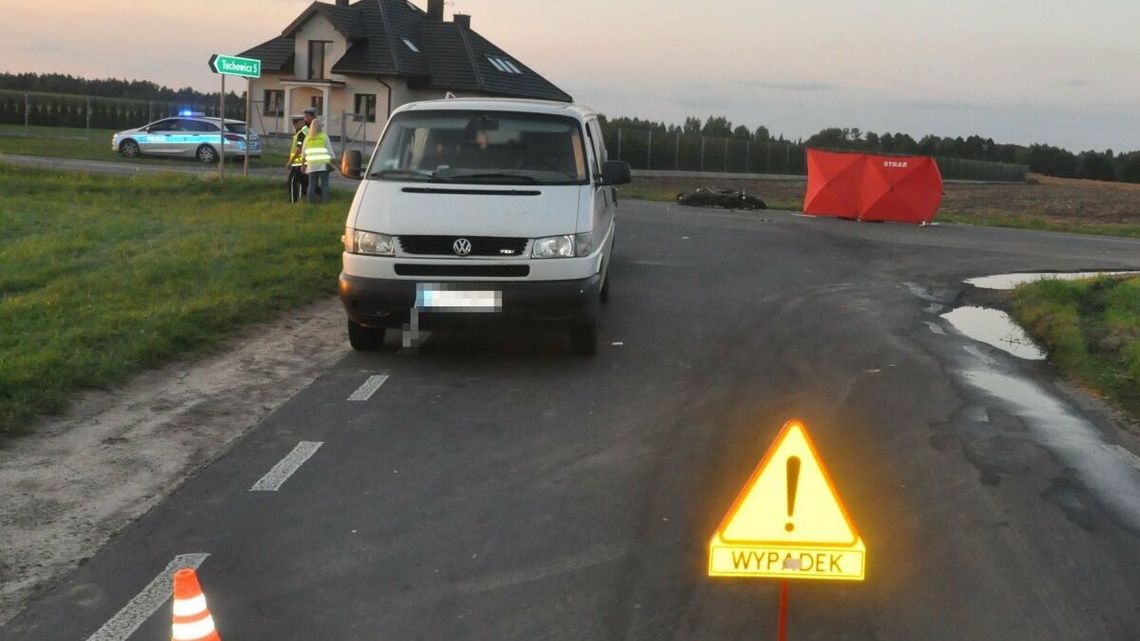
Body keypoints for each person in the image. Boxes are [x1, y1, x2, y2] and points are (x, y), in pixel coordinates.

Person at [301, 116, 337, 205]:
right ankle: (325, 202)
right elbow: (330, 151)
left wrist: (303, 165)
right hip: (323, 165)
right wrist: (336, 163)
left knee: (312, 185)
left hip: (311, 166)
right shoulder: (324, 137)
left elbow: (303, 153)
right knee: (325, 185)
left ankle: (310, 203)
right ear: (320, 127)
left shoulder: (307, 138)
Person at [286, 115, 309, 203]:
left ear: (302, 122)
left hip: (299, 163)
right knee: (305, 182)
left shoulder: (302, 132)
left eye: (295, 122)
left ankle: (293, 201)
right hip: (303, 162)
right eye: (293, 122)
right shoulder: (303, 131)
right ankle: (303, 199)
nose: (294, 125)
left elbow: (299, 149)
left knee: (292, 181)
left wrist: (290, 161)